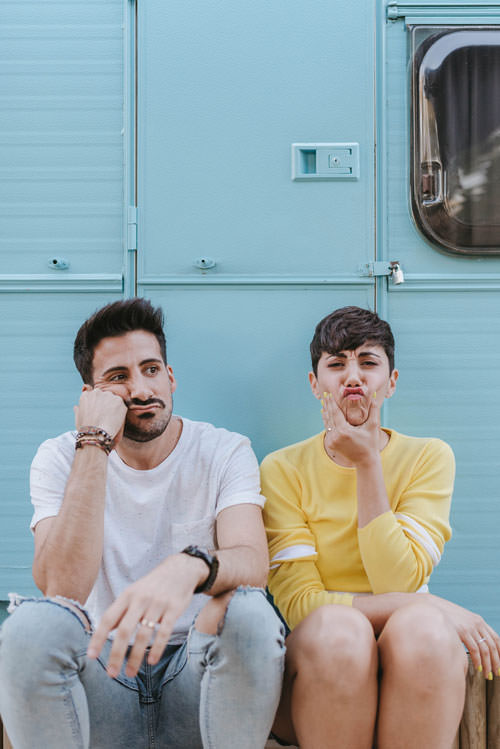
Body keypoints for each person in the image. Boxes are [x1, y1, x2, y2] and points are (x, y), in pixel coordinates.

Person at [0, 298, 285, 749]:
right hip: (104, 676)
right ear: (90, 396)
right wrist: (94, 443)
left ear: (170, 376)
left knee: (250, 611)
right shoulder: (58, 457)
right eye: (118, 378)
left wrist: (190, 565)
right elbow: (61, 587)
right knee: (30, 625)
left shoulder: (223, 450)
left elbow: (252, 564)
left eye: (150, 370)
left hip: (194, 677)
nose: (140, 389)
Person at [261, 305, 500, 749]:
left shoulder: (429, 457)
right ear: (315, 384)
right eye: (336, 365)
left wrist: (367, 464)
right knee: (343, 631)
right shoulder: (282, 469)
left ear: (391, 382)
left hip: (411, 667)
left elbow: (398, 580)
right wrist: (435, 604)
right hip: (320, 666)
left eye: (368, 363)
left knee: (424, 630)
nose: (353, 378)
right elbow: (301, 607)